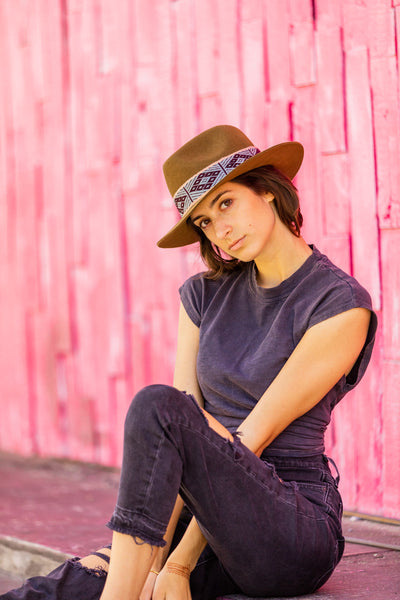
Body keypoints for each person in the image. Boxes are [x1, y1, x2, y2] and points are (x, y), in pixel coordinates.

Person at [2, 125, 377, 600]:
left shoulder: (338, 303)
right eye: (203, 221)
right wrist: (151, 558)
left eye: (226, 203)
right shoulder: (203, 296)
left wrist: (175, 566)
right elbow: (179, 443)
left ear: (267, 190)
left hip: (289, 525)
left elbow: (249, 440)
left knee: (156, 405)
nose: (220, 230)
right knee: (64, 586)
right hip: (205, 522)